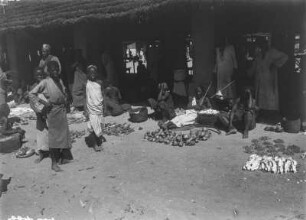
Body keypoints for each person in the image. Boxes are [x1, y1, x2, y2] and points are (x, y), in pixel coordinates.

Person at [29, 61, 73, 172]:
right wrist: (43, 102)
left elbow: (63, 92)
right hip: (53, 112)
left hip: (61, 111)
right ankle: (53, 164)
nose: (55, 71)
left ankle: (62, 158)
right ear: (48, 71)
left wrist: (66, 99)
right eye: (53, 70)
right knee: (54, 137)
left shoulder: (60, 81)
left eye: (57, 69)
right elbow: (31, 94)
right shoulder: (45, 82)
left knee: (63, 135)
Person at [248, 39, 288, 113]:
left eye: (263, 46)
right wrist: (249, 73)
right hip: (259, 79)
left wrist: (275, 64)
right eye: (260, 46)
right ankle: (262, 111)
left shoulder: (272, 52)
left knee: (269, 96)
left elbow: (285, 57)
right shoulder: (258, 55)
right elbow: (254, 66)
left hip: (269, 78)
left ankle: (270, 112)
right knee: (260, 99)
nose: (262, 48)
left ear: (266, 46)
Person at [29, 67, 49, 163]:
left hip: (48, 111)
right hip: (39, 113)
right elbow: (31, 103)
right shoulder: (33, 87)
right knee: (41, 134)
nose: (39, 76)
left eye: (41, 74)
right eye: (37, 75)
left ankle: (54, 152)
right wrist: (37, 111)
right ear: (34, 76)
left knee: (51, 132)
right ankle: (42, 154)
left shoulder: (47, 85)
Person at [85, 65, 106, 152]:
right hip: (91, 108)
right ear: (88, 74)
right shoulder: (86, 84)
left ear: (96, 73)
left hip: (99, 107)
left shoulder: (100, 83)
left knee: (99, 125)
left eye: (94, 72)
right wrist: (85, 109)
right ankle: (94, 144)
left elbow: (103, 95)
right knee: (93, 127)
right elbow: (85, 97)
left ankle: (98, 141)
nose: (92, 74)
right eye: (90, 72)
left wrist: (105, 107)